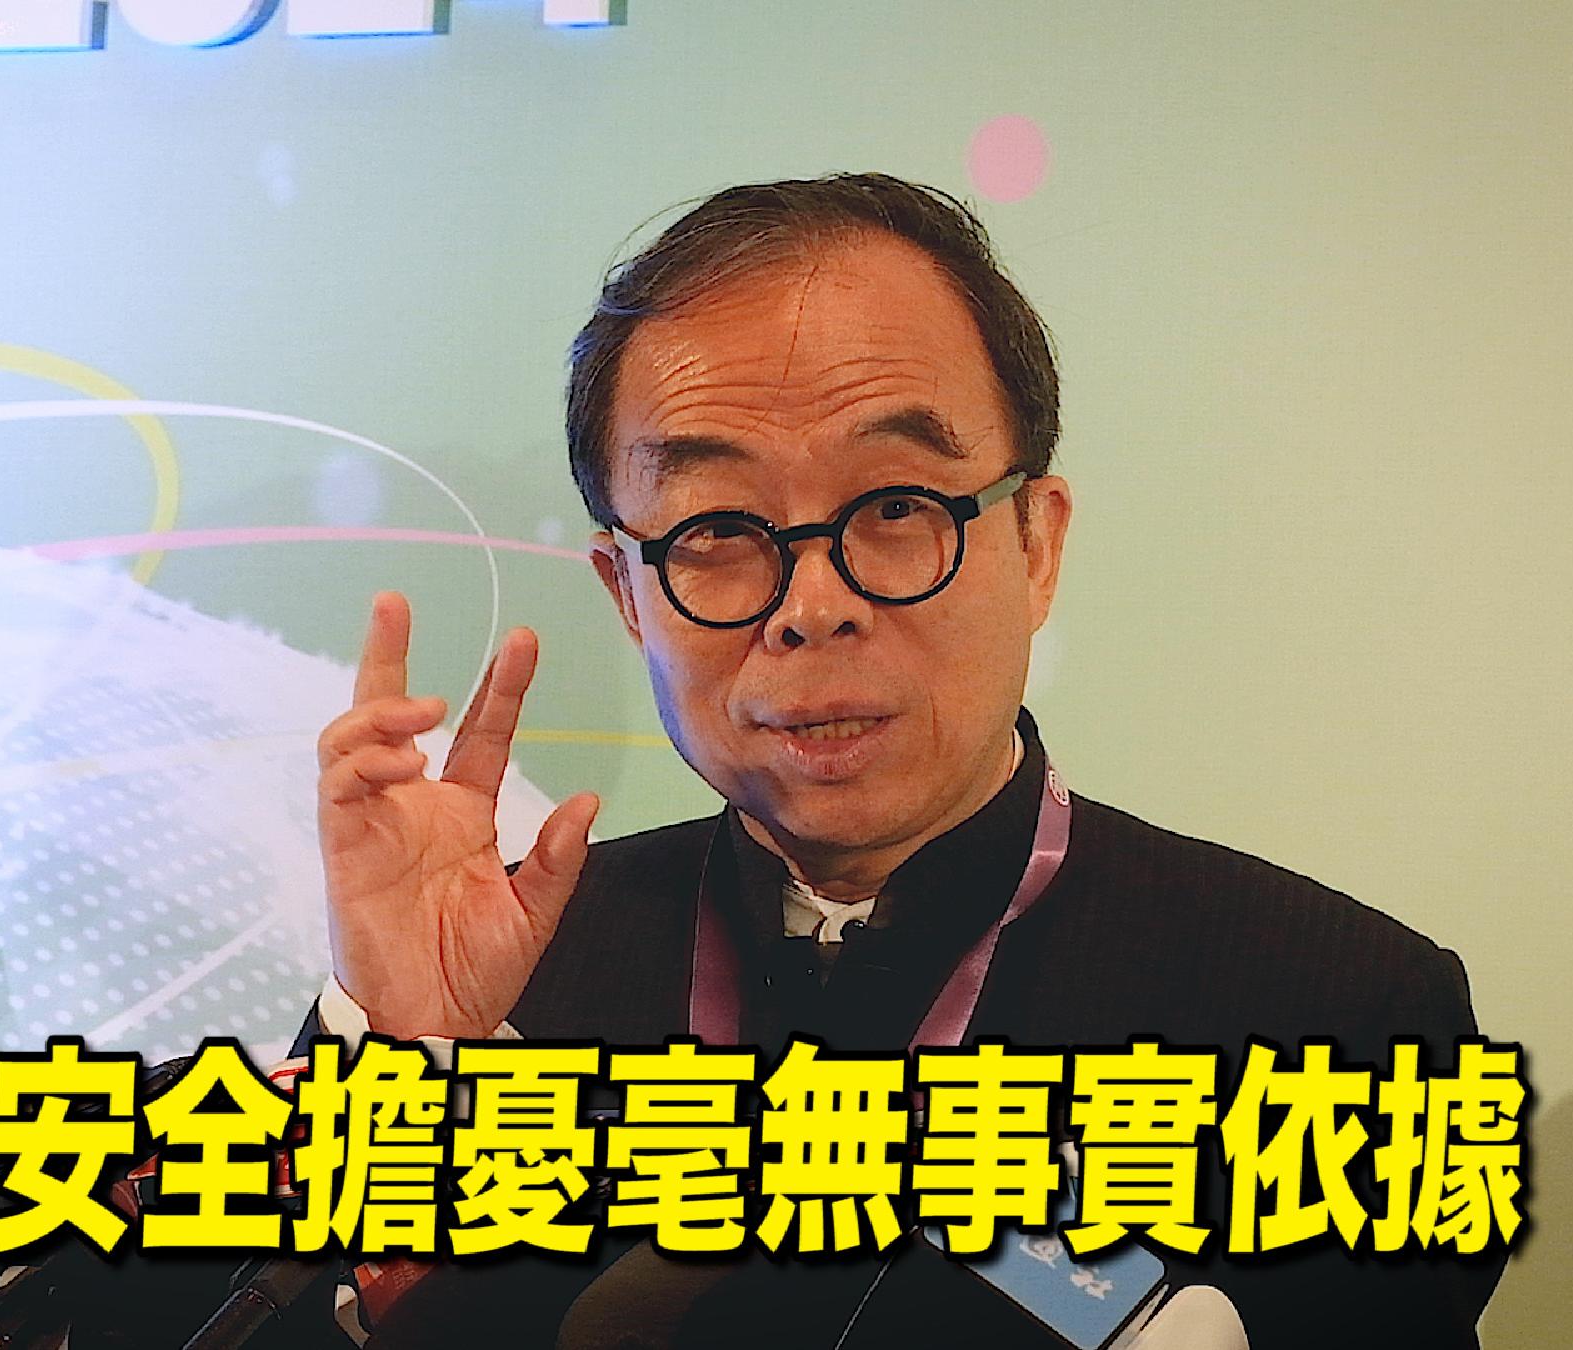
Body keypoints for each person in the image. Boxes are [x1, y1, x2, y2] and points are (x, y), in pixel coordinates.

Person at [304, 174, 1505, 1348]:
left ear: (1036, 545)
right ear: (628, 593)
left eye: (893, 506)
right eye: (717, 527)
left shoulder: (1344, 1013)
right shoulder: (495, 988)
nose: (812, 606)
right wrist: (402, 1052)